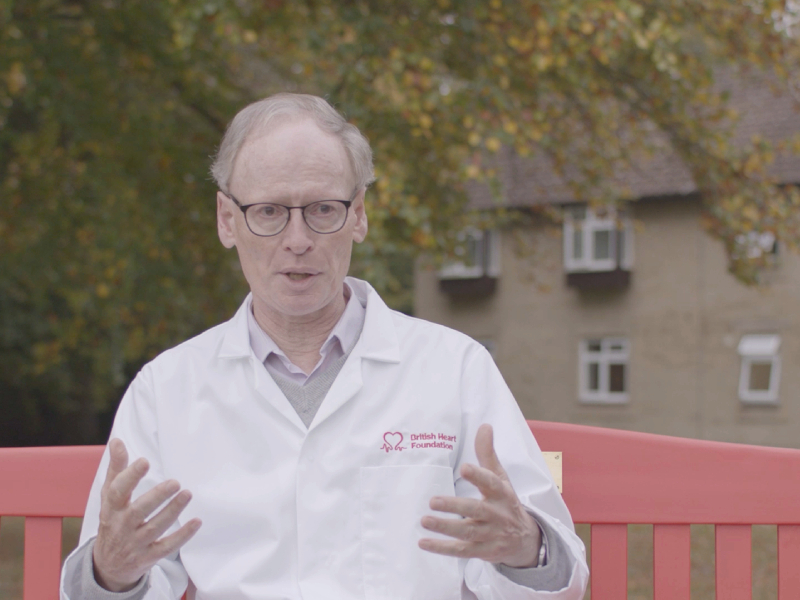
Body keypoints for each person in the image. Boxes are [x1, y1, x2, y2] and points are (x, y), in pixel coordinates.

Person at [60, 93, 589, 600]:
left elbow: (560, 578)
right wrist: (112, 572)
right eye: (268, 212)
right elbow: (112, 587)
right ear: (227, 220)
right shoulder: (165, 391)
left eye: (322, 209)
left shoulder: (455, 369)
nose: (297, 239)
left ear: (358, 215)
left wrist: (525, 546)